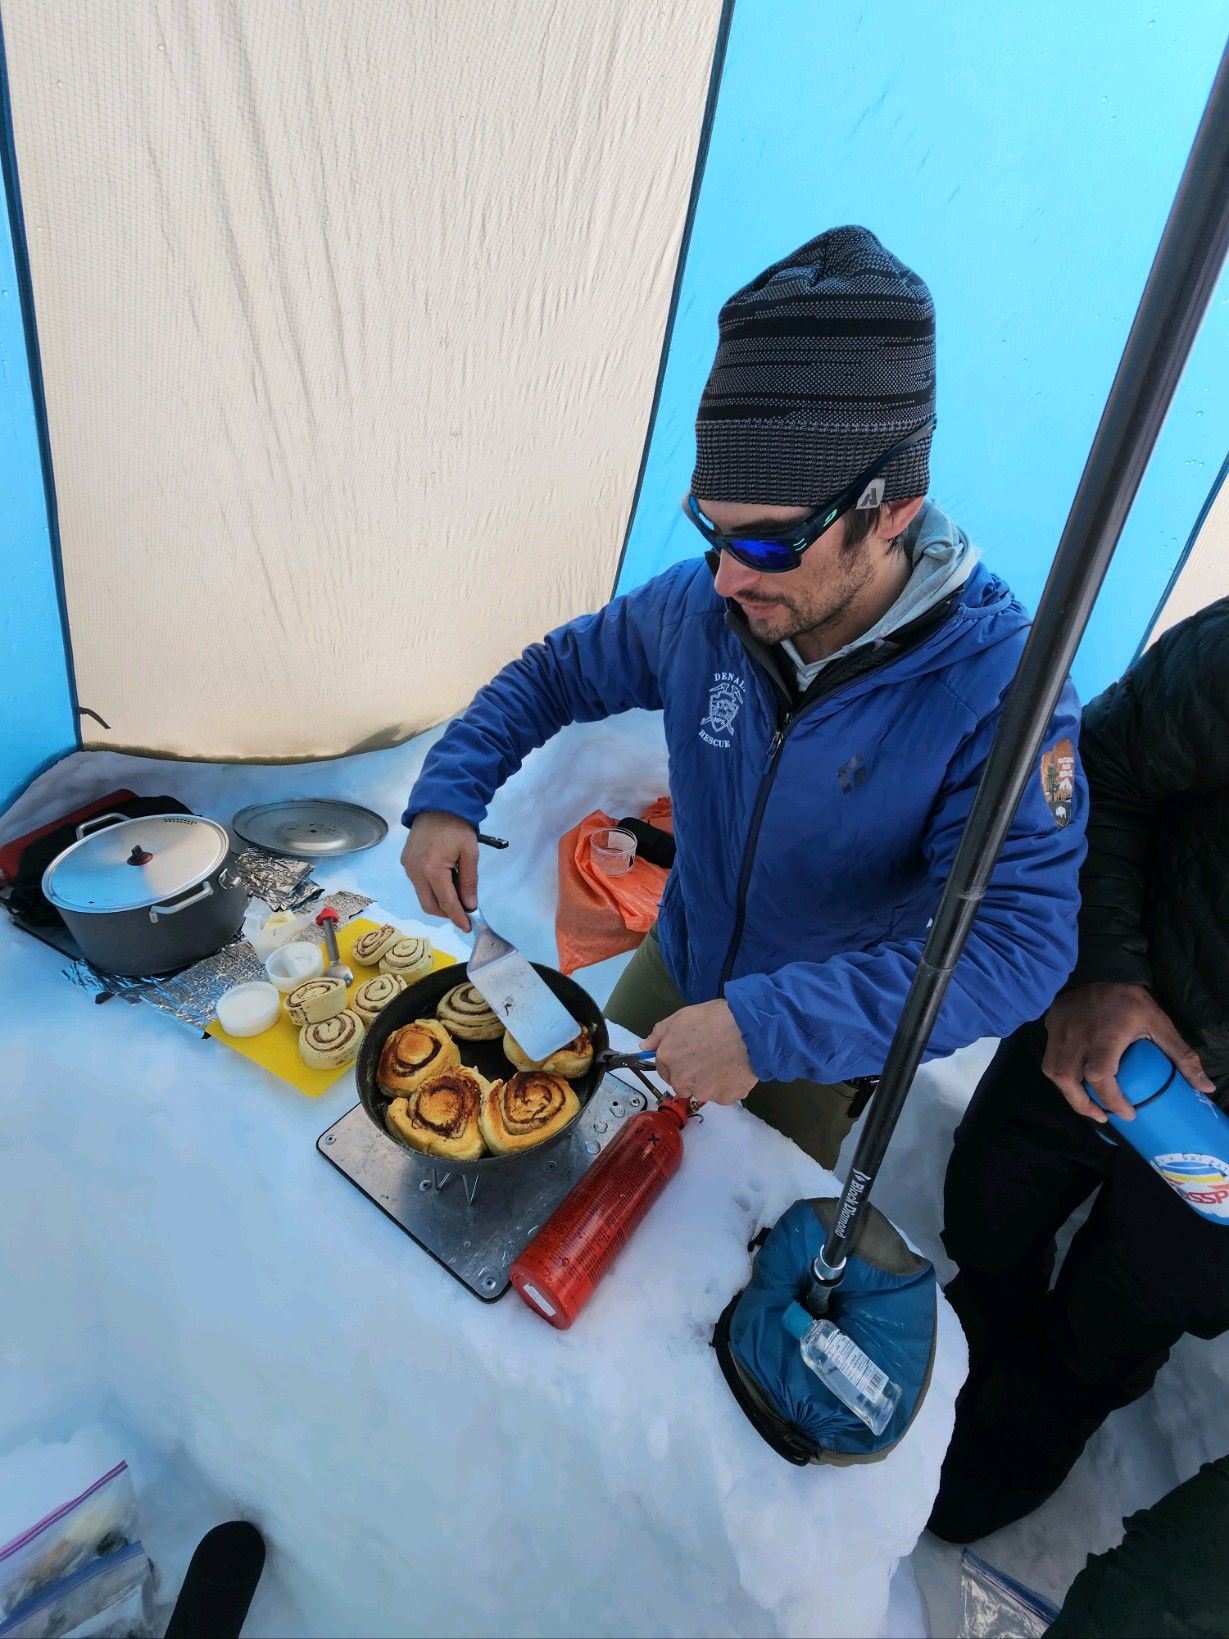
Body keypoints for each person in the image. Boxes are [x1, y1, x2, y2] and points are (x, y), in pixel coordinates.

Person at [400, 225, 1086, 1168]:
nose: (725, 577)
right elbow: (554, 670)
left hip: (817, 1037)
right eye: (709, 530)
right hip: (675, 957)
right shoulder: (702, 607)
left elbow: (1017, 945)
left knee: (705, 1240)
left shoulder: (999, 692)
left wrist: (769, 1027)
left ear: (887, 511)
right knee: (580, 1158)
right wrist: (449, 794)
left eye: (765, 542)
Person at [930, 595, 1229, 1543]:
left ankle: (1028, 1421)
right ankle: (975, 1323)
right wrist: (1100, 967)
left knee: (1109, 1327)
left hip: (1214, 1178)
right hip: (1120, 1004)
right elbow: (1091, 765)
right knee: (989, 1201)